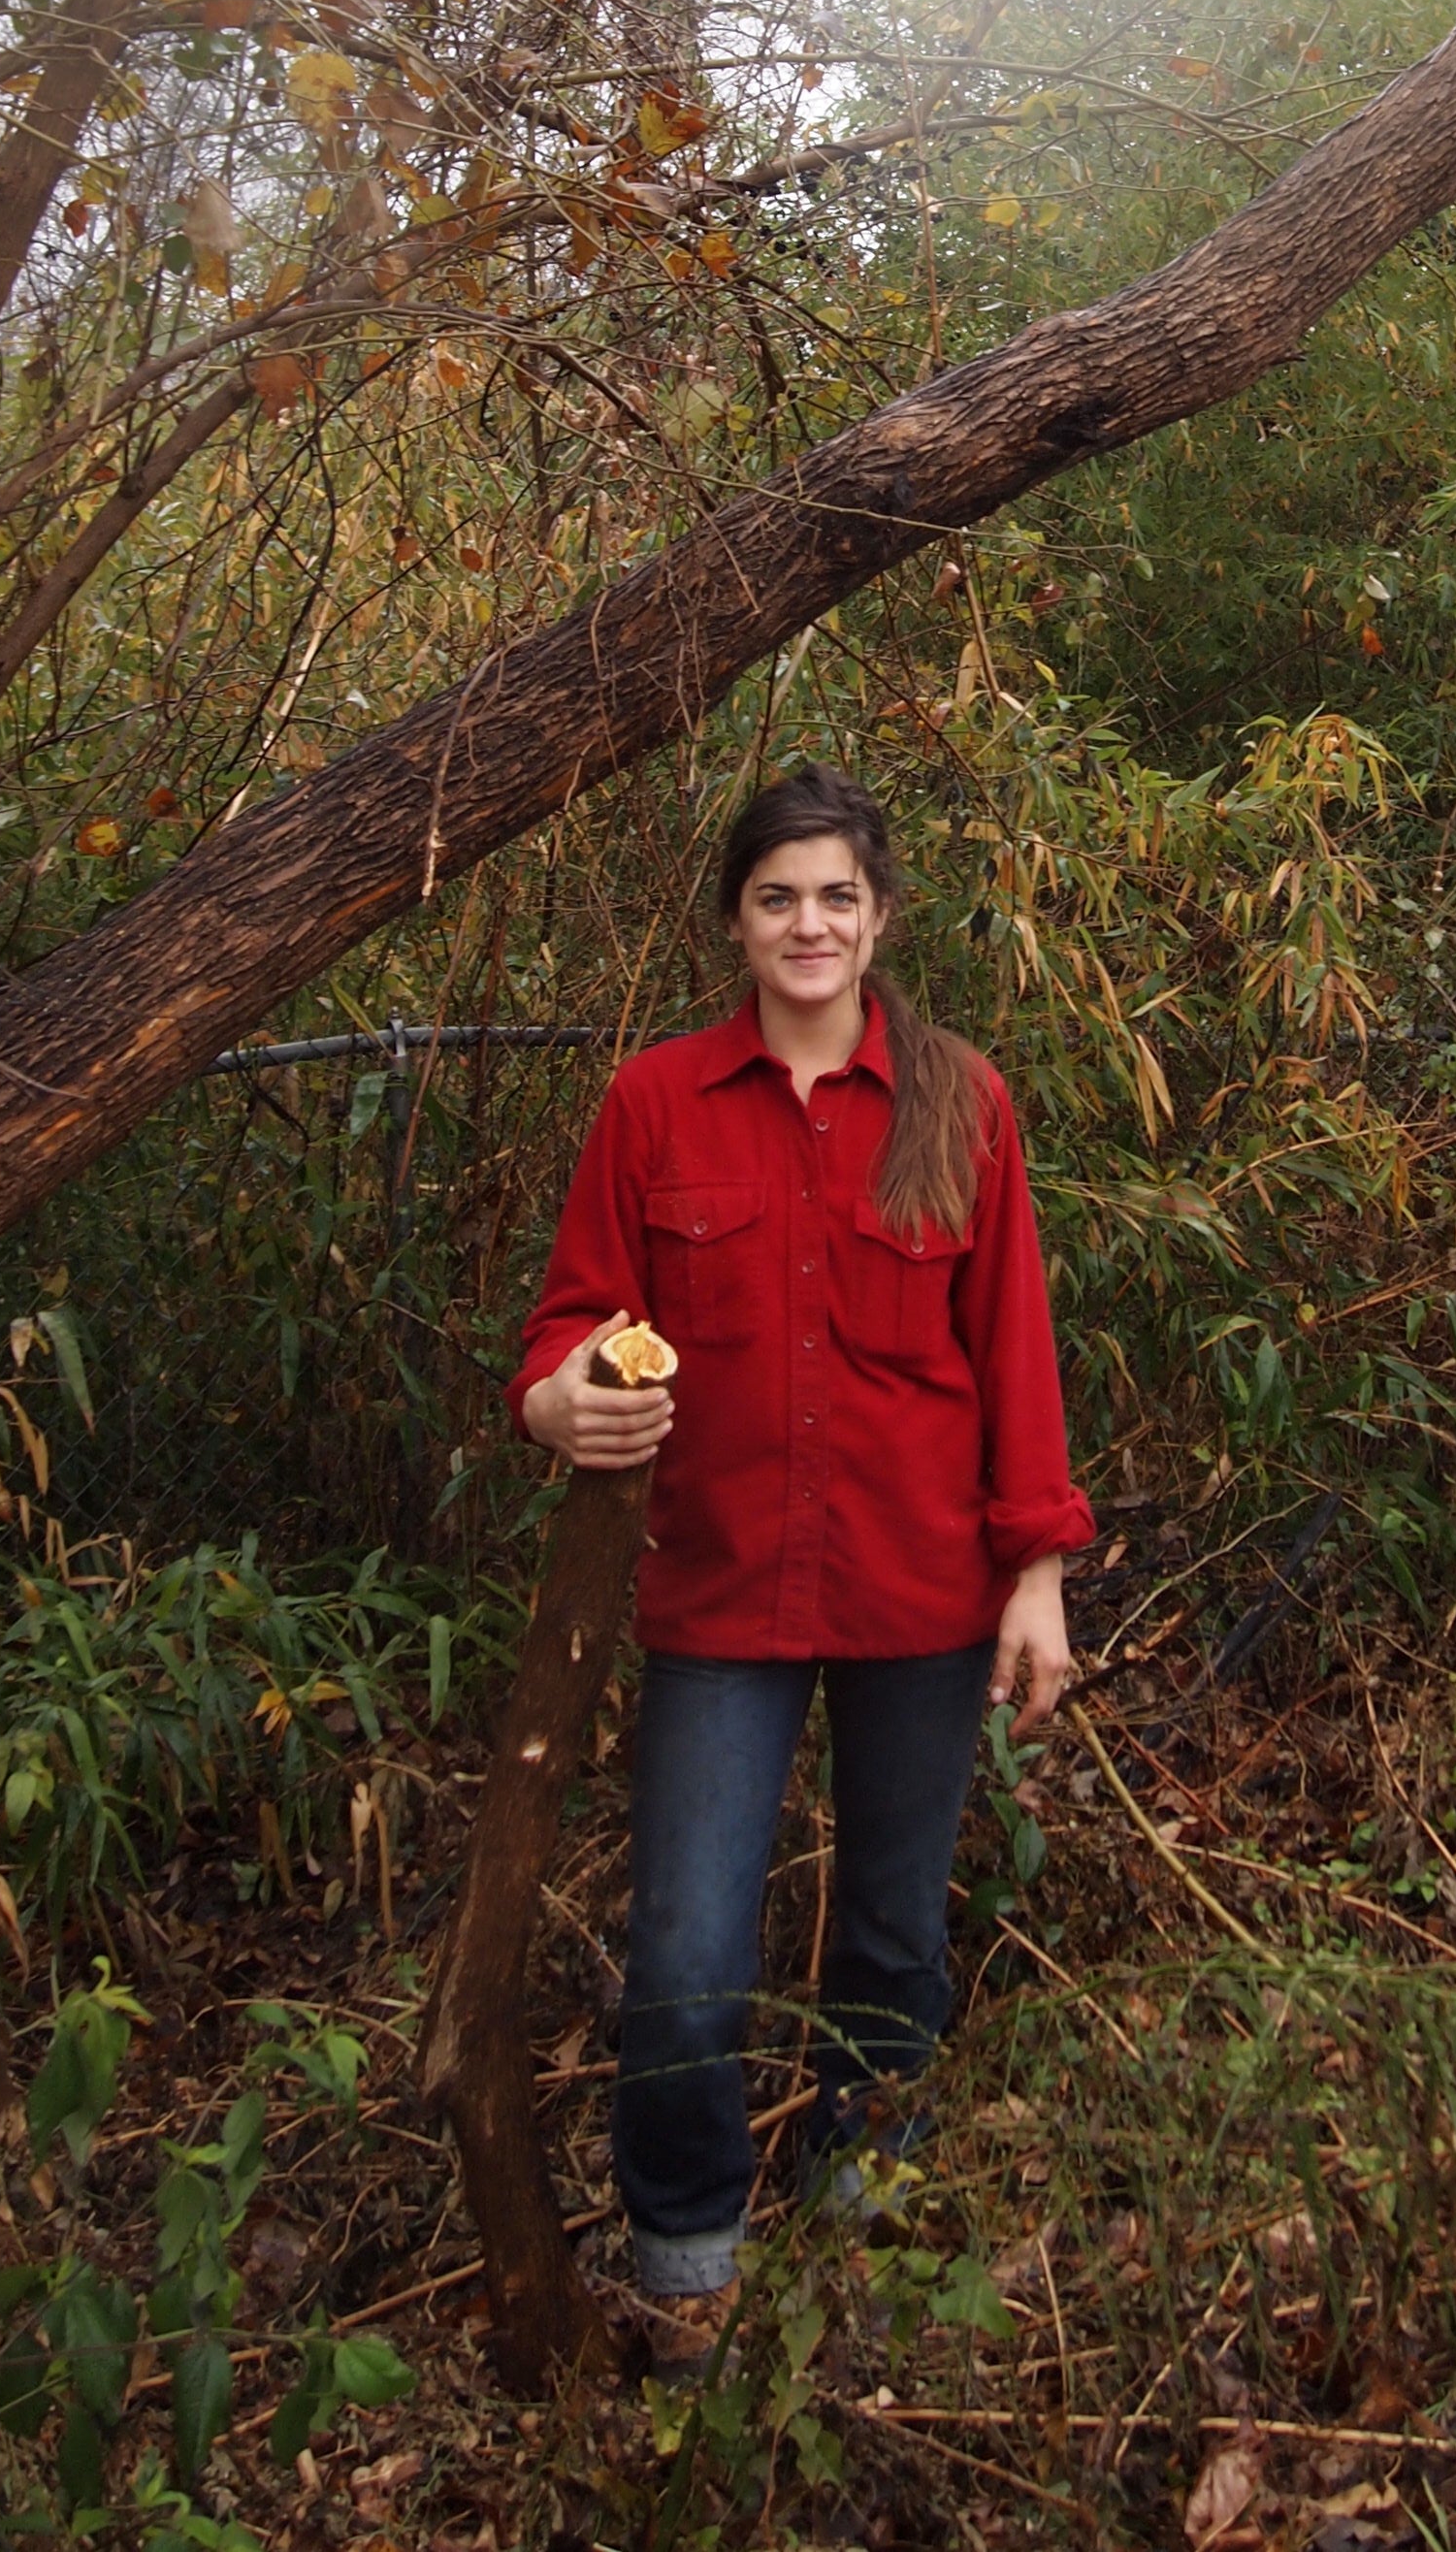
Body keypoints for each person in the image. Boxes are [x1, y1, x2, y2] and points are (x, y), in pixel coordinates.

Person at [507, 761, 1090, 2340]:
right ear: (737, 922)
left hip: (919, 1589)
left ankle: (857, 2207)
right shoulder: (653, 1105)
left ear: (882, 916)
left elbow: (1011, 1349)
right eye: (779, 898)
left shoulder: (961, 1106)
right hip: (723, 1593)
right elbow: (569, 1325)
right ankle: (690, 2253)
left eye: (838, 895)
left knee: (894, 1930)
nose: (810, 924)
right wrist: (565, 1402)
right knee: (692, 1945)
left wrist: (1034, 1575)